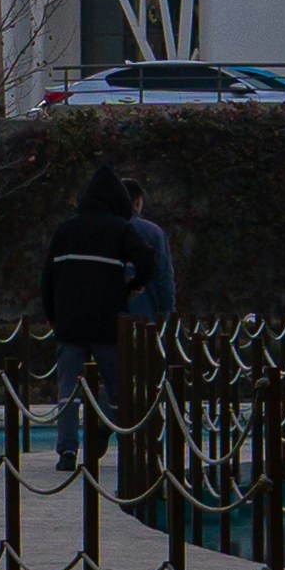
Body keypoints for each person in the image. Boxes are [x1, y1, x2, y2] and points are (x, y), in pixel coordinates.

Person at [37, 166, 176, 472]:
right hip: (107, 320)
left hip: (70, 321)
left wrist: (52, 314)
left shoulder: (66, 229)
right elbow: (147, 260)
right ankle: (124, 444)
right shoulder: (121, 229)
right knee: (118, 388)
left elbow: (47, 277)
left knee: (68, 391)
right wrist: (133, 286)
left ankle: (67, 452)